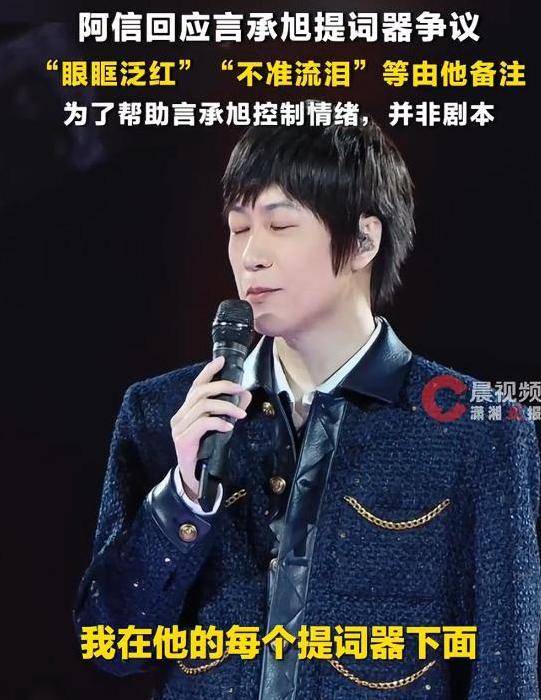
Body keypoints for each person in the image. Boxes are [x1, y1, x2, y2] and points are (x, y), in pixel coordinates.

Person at [73, 120, 541, 699]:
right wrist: (184, 496)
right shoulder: (163, 412)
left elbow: (505, 675)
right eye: (238, 228)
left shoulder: (478, 428)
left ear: (364, 241)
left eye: (280, 225)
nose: (250, 255)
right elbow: (110, 647)